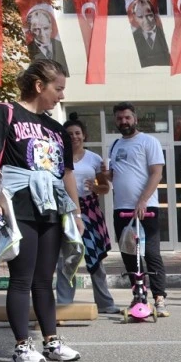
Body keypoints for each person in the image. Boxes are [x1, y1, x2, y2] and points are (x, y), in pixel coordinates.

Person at [0, 59, 83, 362]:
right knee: (21, 278)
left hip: (51, 206)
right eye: (58, 88)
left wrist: (75, 214)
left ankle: (51, 341)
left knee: (44, 279)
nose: (61, 95)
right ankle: (23, 345)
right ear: (40, 86)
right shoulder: (4, 113)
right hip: (18, 205)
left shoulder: (56, 128)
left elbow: (67, 174)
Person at [104, 102, 169, 317]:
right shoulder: (115, 145)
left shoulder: (148, 142)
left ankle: (159, 298)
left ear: (135, 119)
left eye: (127, 118)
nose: (124, 122)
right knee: (129, 254)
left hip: (146, 208)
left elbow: (156, 174)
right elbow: (115, 176)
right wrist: (103, 177)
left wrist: (142, 201)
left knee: (150, 253)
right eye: (120, 118)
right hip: (121, 209)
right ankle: (138, 294)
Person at [56, 115, 119, 314]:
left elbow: (105, 188)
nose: (74, 137)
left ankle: (105, 303)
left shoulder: (94, 158)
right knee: (67, 259)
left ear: (84, 135)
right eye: (69, 134)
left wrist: (95, 186)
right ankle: (64, 304)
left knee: (96, 259)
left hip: (91, 211)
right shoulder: (57, 156)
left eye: (77, 133)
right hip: (66, 212)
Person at [128, 0, 170, 68]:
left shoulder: (162, 33)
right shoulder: (135, 37)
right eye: (140, 17)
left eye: (149, 15)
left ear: (154, 14)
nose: (146, 21)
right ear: (135, 17)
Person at [25, 6, 69, 76]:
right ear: (30, 31)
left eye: (46, 28)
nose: (42, 34)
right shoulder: (27, 50)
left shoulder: (59, 45)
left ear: (51, 27)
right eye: (36, 29)